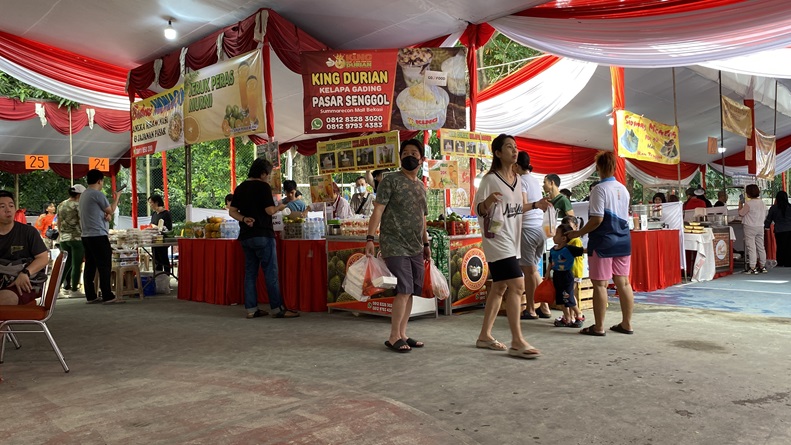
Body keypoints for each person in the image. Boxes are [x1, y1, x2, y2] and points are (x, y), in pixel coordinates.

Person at [475, 134, 541, 359]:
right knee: (517, 285)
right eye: (509, 147)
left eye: (516, 147)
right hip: (496, 240)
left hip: (513, 239)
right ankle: (517, 340)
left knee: (500, 288)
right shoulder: (490, 179)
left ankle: (484, 336)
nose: (514, 151)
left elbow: (518, 208)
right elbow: (479, 209)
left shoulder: (518, 179)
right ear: (497, 153)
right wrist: (488, 202)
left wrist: (535, 205)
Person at [366, 139, 429, 353]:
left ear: (422, 159)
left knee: (410, 291)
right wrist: (369, 238)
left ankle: (403, 333)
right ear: (400, 157)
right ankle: (393, 336)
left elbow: (422, 217)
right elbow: (378, 210)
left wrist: (426, 242)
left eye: (414, 152)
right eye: (406, 152)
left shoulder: (421, 186)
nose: (409, 155)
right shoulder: (390, 180)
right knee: (403, 289)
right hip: (394, 244)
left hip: (416, 246)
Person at [568, 152, 634, 336]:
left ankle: (598, 327)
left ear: (598, 167)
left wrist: (579, 232)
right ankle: (627, 324)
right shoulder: (623, 189)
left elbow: (597, 219)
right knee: (624, 283)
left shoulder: (599, 189)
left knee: (600, 284)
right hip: (623, 239)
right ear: (614, 167)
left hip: (604, 241)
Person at [229, 158, 299, 319]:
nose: (268, 177)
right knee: (270, 273)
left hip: (246, 236)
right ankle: (277, 309)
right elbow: (269, 211)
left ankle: (251, 309)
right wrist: (280, 207)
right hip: (263, 235)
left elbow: (232, 211)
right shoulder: (263, 187)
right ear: (262, 174)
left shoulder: (240, 188)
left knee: (250, 273)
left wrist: (244, 218)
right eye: (268, 174)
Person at [513, 151, 551, 320]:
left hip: (528, 229)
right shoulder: (535, 180)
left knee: (528, 272)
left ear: (516, 165)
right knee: (533, 269)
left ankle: (530, 309)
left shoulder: (520, 181)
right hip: (539, 230)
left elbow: (521, 206)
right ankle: (544, 305)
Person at [80, 169, 122, 304]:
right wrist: (117, 197)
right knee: (104, 264)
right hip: (98, 235)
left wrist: (106, 216)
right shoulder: (97, 194)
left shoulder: (84, 194)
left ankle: (91, 295)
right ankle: (107, 294)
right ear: (99, 181)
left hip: (86, 235)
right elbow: (111, 210)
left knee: (90, 265)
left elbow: (103, 214)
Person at [0, 190, 49, 305]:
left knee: (4, 299)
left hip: (25, 283)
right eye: (2, 207)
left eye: (11, 205)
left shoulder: (28, 232)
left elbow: (43, 258)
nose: (8, 209)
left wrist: (26, 273)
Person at [547, 223, 585, 328]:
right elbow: (551, 262)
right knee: (560, 298)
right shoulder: (553, 250)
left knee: (568, 296)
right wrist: (547, 273)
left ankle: (579, 314)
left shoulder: (569, 249)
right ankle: (567, 318)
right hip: (556, 276)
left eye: (556, 234)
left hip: (567, 276)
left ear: (563, 238)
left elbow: (583, 251)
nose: (554, 236)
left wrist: (597, 249)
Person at [57, 184, 86, 297]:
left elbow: (59, 222)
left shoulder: (61, 204)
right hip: (77, 238)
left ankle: (57, 290)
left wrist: (61, 234)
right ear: (79, 194)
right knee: (76, 264)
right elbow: (82, 221)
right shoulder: (78, 205)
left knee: (66, 264)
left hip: (64, 238)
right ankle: (74, 290)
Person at [739, 184, 767, 274]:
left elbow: (741, 213)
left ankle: (752, 267)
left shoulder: (749, 203)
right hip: (760, 226)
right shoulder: (762, 202)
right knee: (761, 247)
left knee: (751, 247)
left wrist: (740, 204)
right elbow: (766, 214)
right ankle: (762, 266)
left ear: (749, 193)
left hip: (750, 227)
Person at [148, 195, 173, 275]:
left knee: (164, 259)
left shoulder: (166, 214)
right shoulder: (154, 214)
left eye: (151, 202)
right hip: (154, 240)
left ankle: (167, 277)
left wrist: (159, 228)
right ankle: (158, 278)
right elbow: (151, 224)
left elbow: (169, 228)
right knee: (156, 260)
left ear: (156, 202)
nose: (150, 205)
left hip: (163, 241)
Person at [765, 191, 791, 267]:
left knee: (780, 246)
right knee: (789, 247)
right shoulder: (790, 207)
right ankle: (789, 262)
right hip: (790, 229)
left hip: (779, 230)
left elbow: (769, 219)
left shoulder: (774, 208)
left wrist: (766, 227)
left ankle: (780, 261)